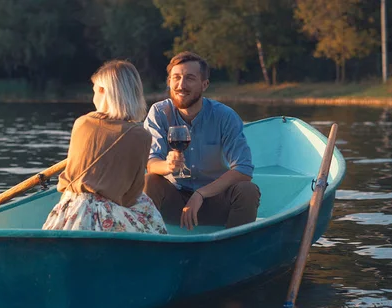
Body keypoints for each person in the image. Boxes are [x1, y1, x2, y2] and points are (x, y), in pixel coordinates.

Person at [42, 60, 167, 234]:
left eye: (94, 92)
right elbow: (132, 194)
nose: (93, 98)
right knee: (147, 206)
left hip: (72, 210)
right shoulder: (142, 136)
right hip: (109, 215)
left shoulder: (82, 123)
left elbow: (69, 178)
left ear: (103, 91)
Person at [143, 51, 260, 230]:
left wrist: (201, 194)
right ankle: (148, 243)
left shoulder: (224, 116)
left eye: (189, 78)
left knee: (248, 190)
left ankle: (234, 247)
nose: (181, 85)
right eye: (176, 78)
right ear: (169, 81)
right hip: (175, 200)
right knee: (149, 181)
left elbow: (243, 170)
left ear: (204, 84)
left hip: (214, 199)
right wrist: (168, 166)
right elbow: (151, 163)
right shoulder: (159, 113)